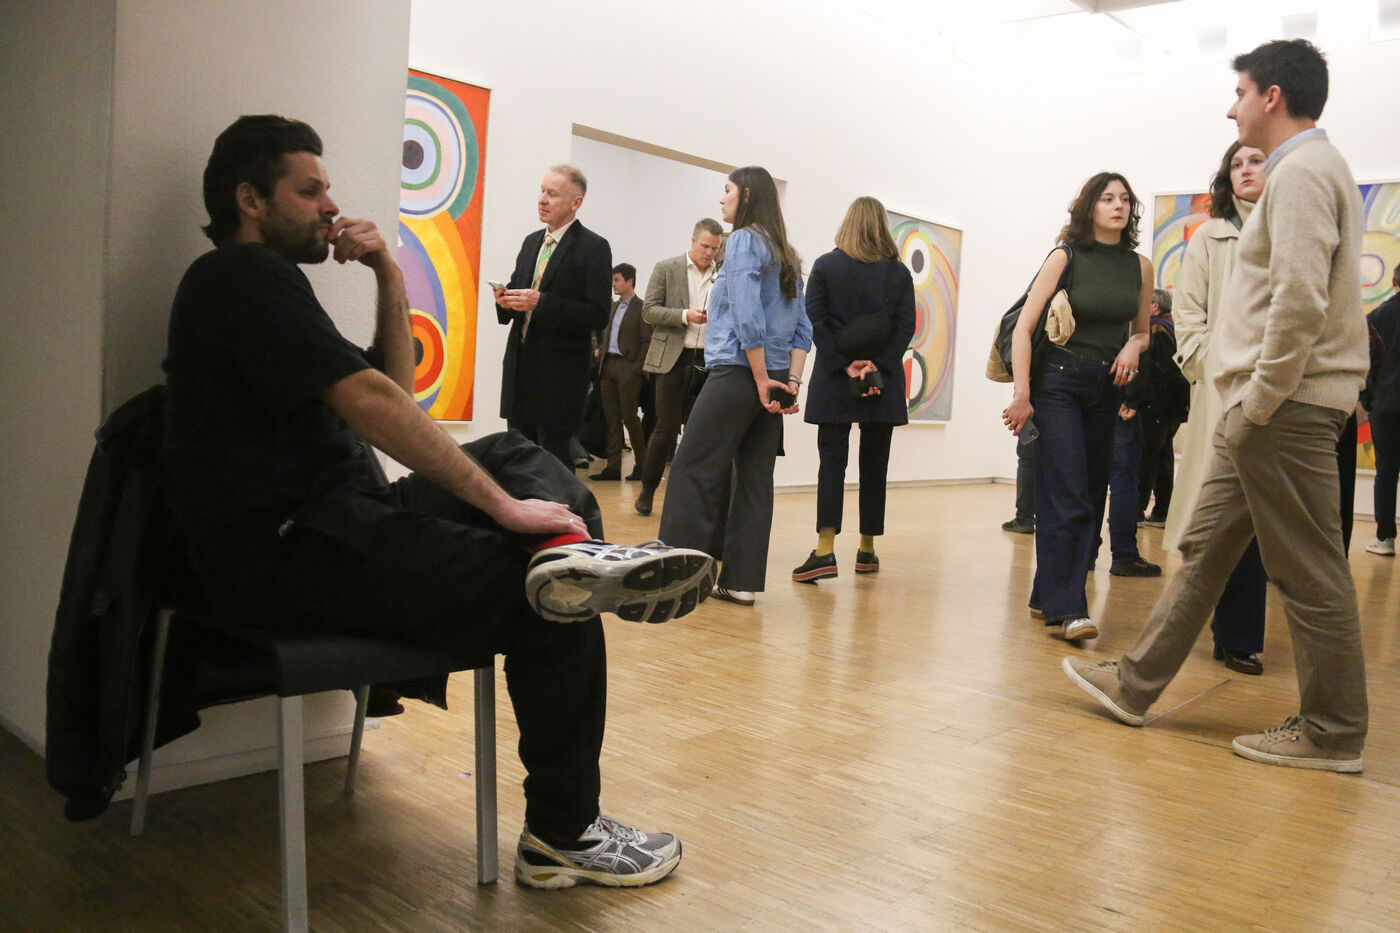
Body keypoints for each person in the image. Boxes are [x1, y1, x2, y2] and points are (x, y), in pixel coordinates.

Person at [163, 116, 717, 888]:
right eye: (311, 190)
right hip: (295, 548)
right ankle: (562, 832)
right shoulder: (238, 277)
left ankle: (575, 553)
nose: (331, 205)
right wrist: (506, 511)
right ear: (251, 200)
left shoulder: (267, 287)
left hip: (345, 517)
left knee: (514, 455)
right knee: (550, 598)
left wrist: (387, 272)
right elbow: (371, 404)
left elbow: (395, 389)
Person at [1064, 39, 1370, 772]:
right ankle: (1135, 683)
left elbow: (1299, 301)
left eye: (1240, 93)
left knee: (1309, 570)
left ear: (1272, 97)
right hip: (1264, 407)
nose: (1232, 109)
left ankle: (1333, 732)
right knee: (1204, 549)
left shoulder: (1302, 173)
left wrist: (1260, 398)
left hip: (1283, 407)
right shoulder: (1305, 170)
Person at [1001, 172, 1153, 641]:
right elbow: (1024, 328)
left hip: (1107, 387)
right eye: (1107, 198)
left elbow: (1143, 331)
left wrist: (1133, 348)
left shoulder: (1139, 266)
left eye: (1125, 199)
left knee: (1089, 494)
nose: (1118, 205)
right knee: (1067, 495)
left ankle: (1044, 593)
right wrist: (1022, 394)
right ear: (1089, 207)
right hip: (1059, 385)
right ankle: (1069, 610)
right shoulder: (1065, 257)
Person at [659, 166, 812, 606]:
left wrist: (762, 378)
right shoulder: (787, 253)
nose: (721, 199)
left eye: (726, 190)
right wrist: (789, 382)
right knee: (753, 480)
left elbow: (748, 317)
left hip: (740, 374)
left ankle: (679, 575)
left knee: (691, 467)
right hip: (773, 379)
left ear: (745, 194)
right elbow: (803, 329)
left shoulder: (744, 240)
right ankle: (741, 582)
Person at [1162, 140, 1270, 675]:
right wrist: (1215, 370)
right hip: (1223, 392)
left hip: (1280, 393)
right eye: (1237, 164)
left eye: (1257, 161)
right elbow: (1189, 316)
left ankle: (1239, 634)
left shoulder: (1292, 229)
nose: (1246, 170)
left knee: (1261, 516)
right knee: (1220, 513)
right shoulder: (1210, 236)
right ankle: (1220, 633)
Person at [791, 196, 915, 582]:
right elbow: (906, 326)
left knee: (832, 464)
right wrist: (878, 364)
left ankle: (824, 551)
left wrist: (846, 364)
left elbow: (816, 321)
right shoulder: (898, 273)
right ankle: (867, 550)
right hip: (882, 381)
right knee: (875, 467)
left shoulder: (826, 267)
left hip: (835, 378)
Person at [495, 165, 612, 469]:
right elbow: (519, 292)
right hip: (521, 369)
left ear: (576, 203)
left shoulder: (593, 247)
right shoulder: (531, 242)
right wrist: (505, 301)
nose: (542, 199)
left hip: (559, 377)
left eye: (552, 194)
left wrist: (542, 303)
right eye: (542, 190)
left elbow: (598, 314)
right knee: (518, 460)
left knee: (553, 465)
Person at [634, 218, 724, 516]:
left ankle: (690, 497)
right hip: (673, 360)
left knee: (701, 432)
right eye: (705, 246)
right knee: (666, 427)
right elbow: (649, 311)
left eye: (715, 248)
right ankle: (647, 490)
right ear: (693, 241)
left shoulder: (723, 274)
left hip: (708, 360)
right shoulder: (667, 268)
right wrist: (685, 315)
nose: (709, 253)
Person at [1135, 288, 1190, 526]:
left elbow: (1160, 371)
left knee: (1146, 459)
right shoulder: (1172, 327)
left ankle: (1135, 512)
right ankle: (1162, 512)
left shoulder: (1156, 330)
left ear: (1155, 306)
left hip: (1157, 405)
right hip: (1171, 407)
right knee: (1162, 457)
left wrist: (1145, 401)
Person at [590, 263, 649, 481]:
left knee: (630, 419)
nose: (613, 284)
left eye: (617, 280)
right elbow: (605, 334)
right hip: (608, 366)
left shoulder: (642, 308)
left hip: (627, 367)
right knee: (611, 419)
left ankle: (642, 465)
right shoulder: (612, 307)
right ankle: (613, 467)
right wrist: (601, 352)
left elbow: (647, 341)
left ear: (629, 281)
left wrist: (636, 369)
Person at [1365, 263, 1400, 556]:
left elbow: (1366, 363)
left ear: (1393, 281)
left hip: (1386, 404)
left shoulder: (1377, 316)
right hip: (1385, 402)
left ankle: (1385, 538)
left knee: (1386, 471)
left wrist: (1369, 401)